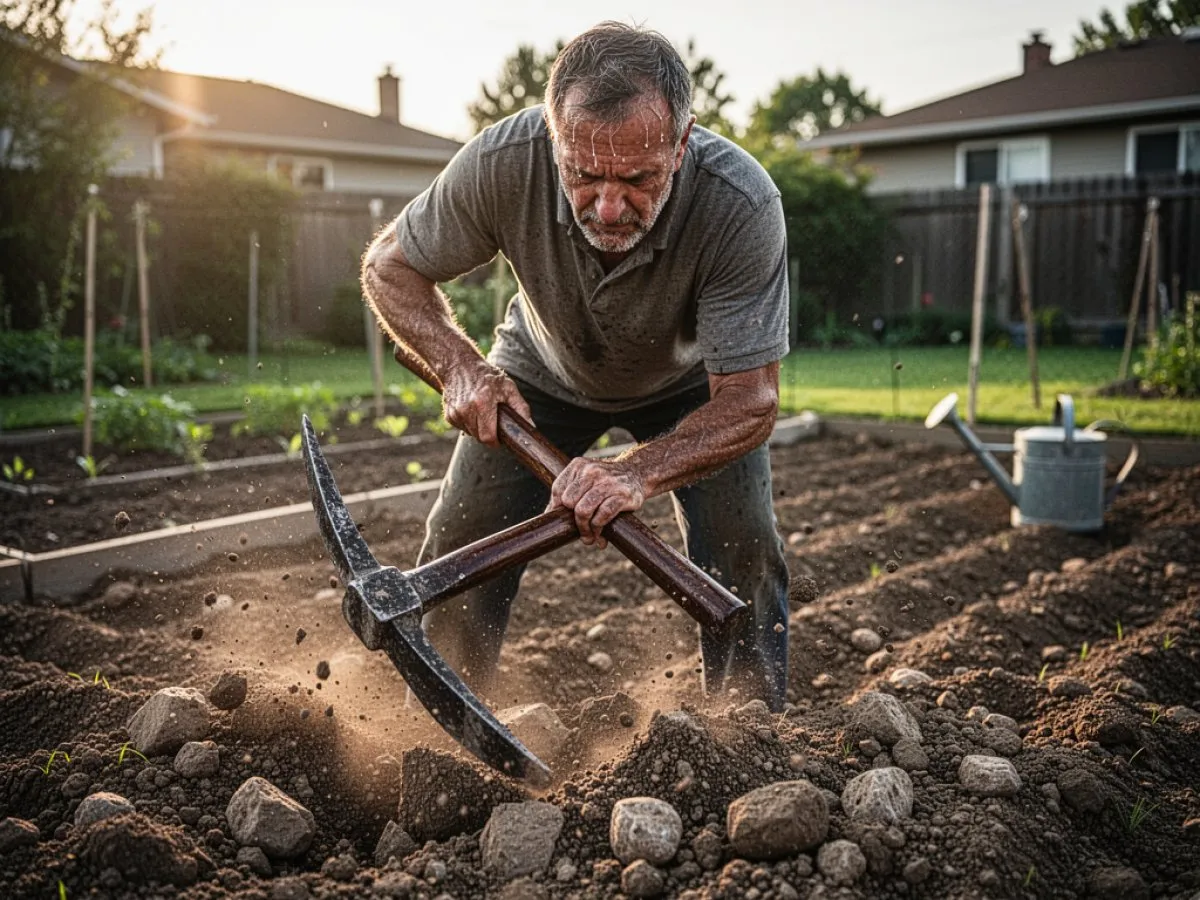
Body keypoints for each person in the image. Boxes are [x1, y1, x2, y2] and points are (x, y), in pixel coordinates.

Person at [361, 21, 791, 711]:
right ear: (552, 137)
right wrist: (461, 366)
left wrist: (634, 473)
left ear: (682, 146)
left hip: (690, 387)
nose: (609, 204)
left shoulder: (738, 203)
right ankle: (436, 721)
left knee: (745, 543)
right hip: (540, 371)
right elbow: (389, 268)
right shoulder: (504, 161)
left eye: (639, 178)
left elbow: (752, 399)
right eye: (583, 174)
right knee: (464, 530)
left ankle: (751, 729)